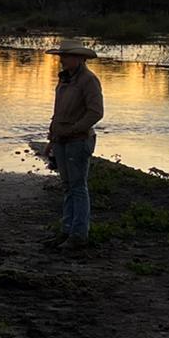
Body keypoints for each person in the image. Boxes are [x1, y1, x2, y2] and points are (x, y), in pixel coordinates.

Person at [44, 43, 104, 249]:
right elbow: (58, 111)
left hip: (78, 141)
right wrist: (51, 138)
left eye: (66, 57)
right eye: (62, 56)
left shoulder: (89, 81)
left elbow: (96, 112)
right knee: (68, 187)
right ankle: (67, 230)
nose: (62, 60)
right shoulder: (65, 80)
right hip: (61, 141)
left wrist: (75, 129)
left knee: (77, 188)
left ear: (79, 59)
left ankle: (78, 234)